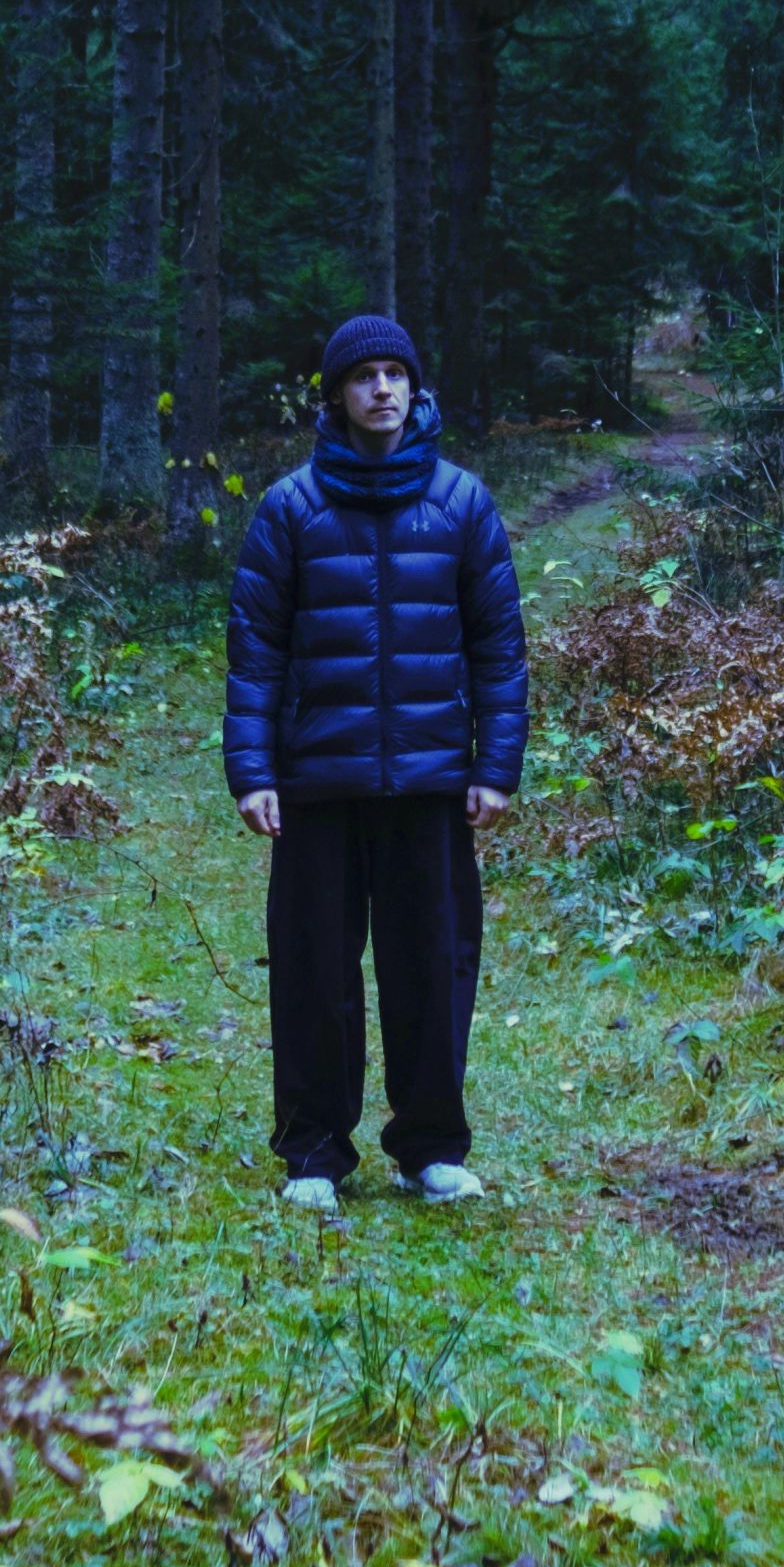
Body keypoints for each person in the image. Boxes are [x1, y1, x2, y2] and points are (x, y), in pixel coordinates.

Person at [221, 313, 528, 1212]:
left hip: (432, 784)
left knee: (432, 966)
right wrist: (254, 770)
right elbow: (256, 651)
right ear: (338, 396)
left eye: (396, 373)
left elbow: (498, 648)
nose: (382, 389)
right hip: (318, 783)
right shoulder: (290, 509)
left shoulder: (464, 504)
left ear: (416, 389)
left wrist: (495, 766)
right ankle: (315, 1151)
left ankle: (430, 1145)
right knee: (315, 968)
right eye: (364, 377)